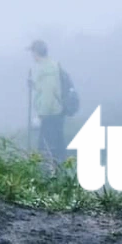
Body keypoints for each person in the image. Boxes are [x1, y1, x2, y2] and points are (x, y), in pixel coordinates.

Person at [29, 39, 76, 172]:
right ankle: (61, 176)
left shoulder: (46, 70)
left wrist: (40, 116)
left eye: (32, 52)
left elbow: (48, 95)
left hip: (51, 115)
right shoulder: (53, 66)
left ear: (36, 52)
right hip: (57, 113)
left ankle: (48, 177)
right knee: (58, 148)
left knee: (46, 149)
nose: (32, 56)